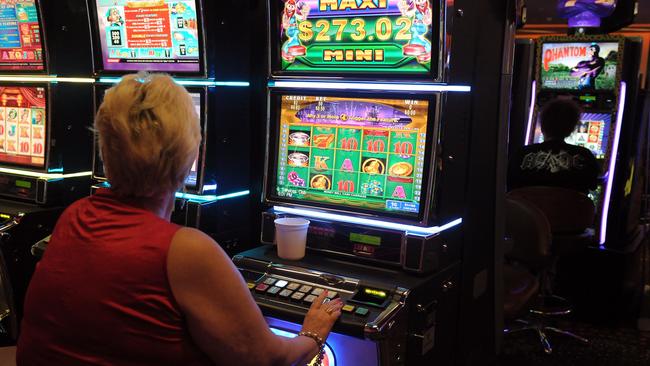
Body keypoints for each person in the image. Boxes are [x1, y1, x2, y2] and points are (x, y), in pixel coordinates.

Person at [16, 74, 342, 365]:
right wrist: (312, 335)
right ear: (188, 159)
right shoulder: (184, 250)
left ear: (106, 149)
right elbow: (266, 359)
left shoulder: (75, 216)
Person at [508, 98, 600, 194]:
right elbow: (593, 185)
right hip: (568, 209)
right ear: (572, 129)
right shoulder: (585, 156)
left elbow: (510, 187)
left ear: (542, 126)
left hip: (527, 208)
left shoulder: (521, 154)